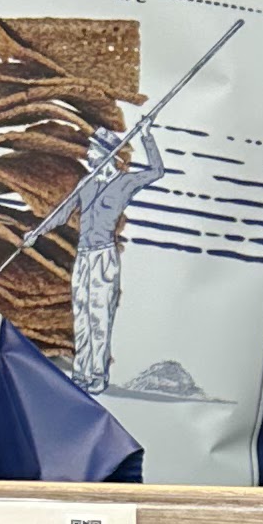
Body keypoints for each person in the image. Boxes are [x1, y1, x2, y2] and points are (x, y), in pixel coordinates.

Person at [62, 104, 168, 393]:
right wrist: (35, 234)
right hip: (83, 257)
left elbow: (157, 171)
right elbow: (64, 211)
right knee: (81, 313)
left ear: (107, 155)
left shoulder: (124, 183)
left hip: (103, 257)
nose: (88, 155)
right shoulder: (86, 183)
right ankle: (81, 373)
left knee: (99, 315)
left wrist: (146, 136)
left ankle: (97, 374)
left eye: (93, 151)